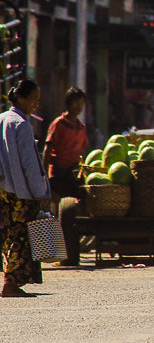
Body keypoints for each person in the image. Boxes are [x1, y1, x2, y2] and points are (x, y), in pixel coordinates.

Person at [0, 80, 49, 297]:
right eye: (34, 99)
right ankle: (10, 283)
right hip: (19, 193)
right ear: (21, 98)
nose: (36, 104)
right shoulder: (22, 125)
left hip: (3, 190)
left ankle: (9, 281)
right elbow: (30, 165)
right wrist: (40, 193)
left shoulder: (2, 119)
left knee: (7, 235)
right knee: (20, 237)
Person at [42, 86, 88, 210]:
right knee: (56, 206)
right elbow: (48, 150)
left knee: (73, 207)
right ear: (68, 104)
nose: (79, 106)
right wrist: (44, 175)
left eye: (82, 103)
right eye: (76, 102)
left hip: (73, 173)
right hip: (58, 172)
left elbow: (82, 152)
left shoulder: (82, 127)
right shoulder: (58, 124)